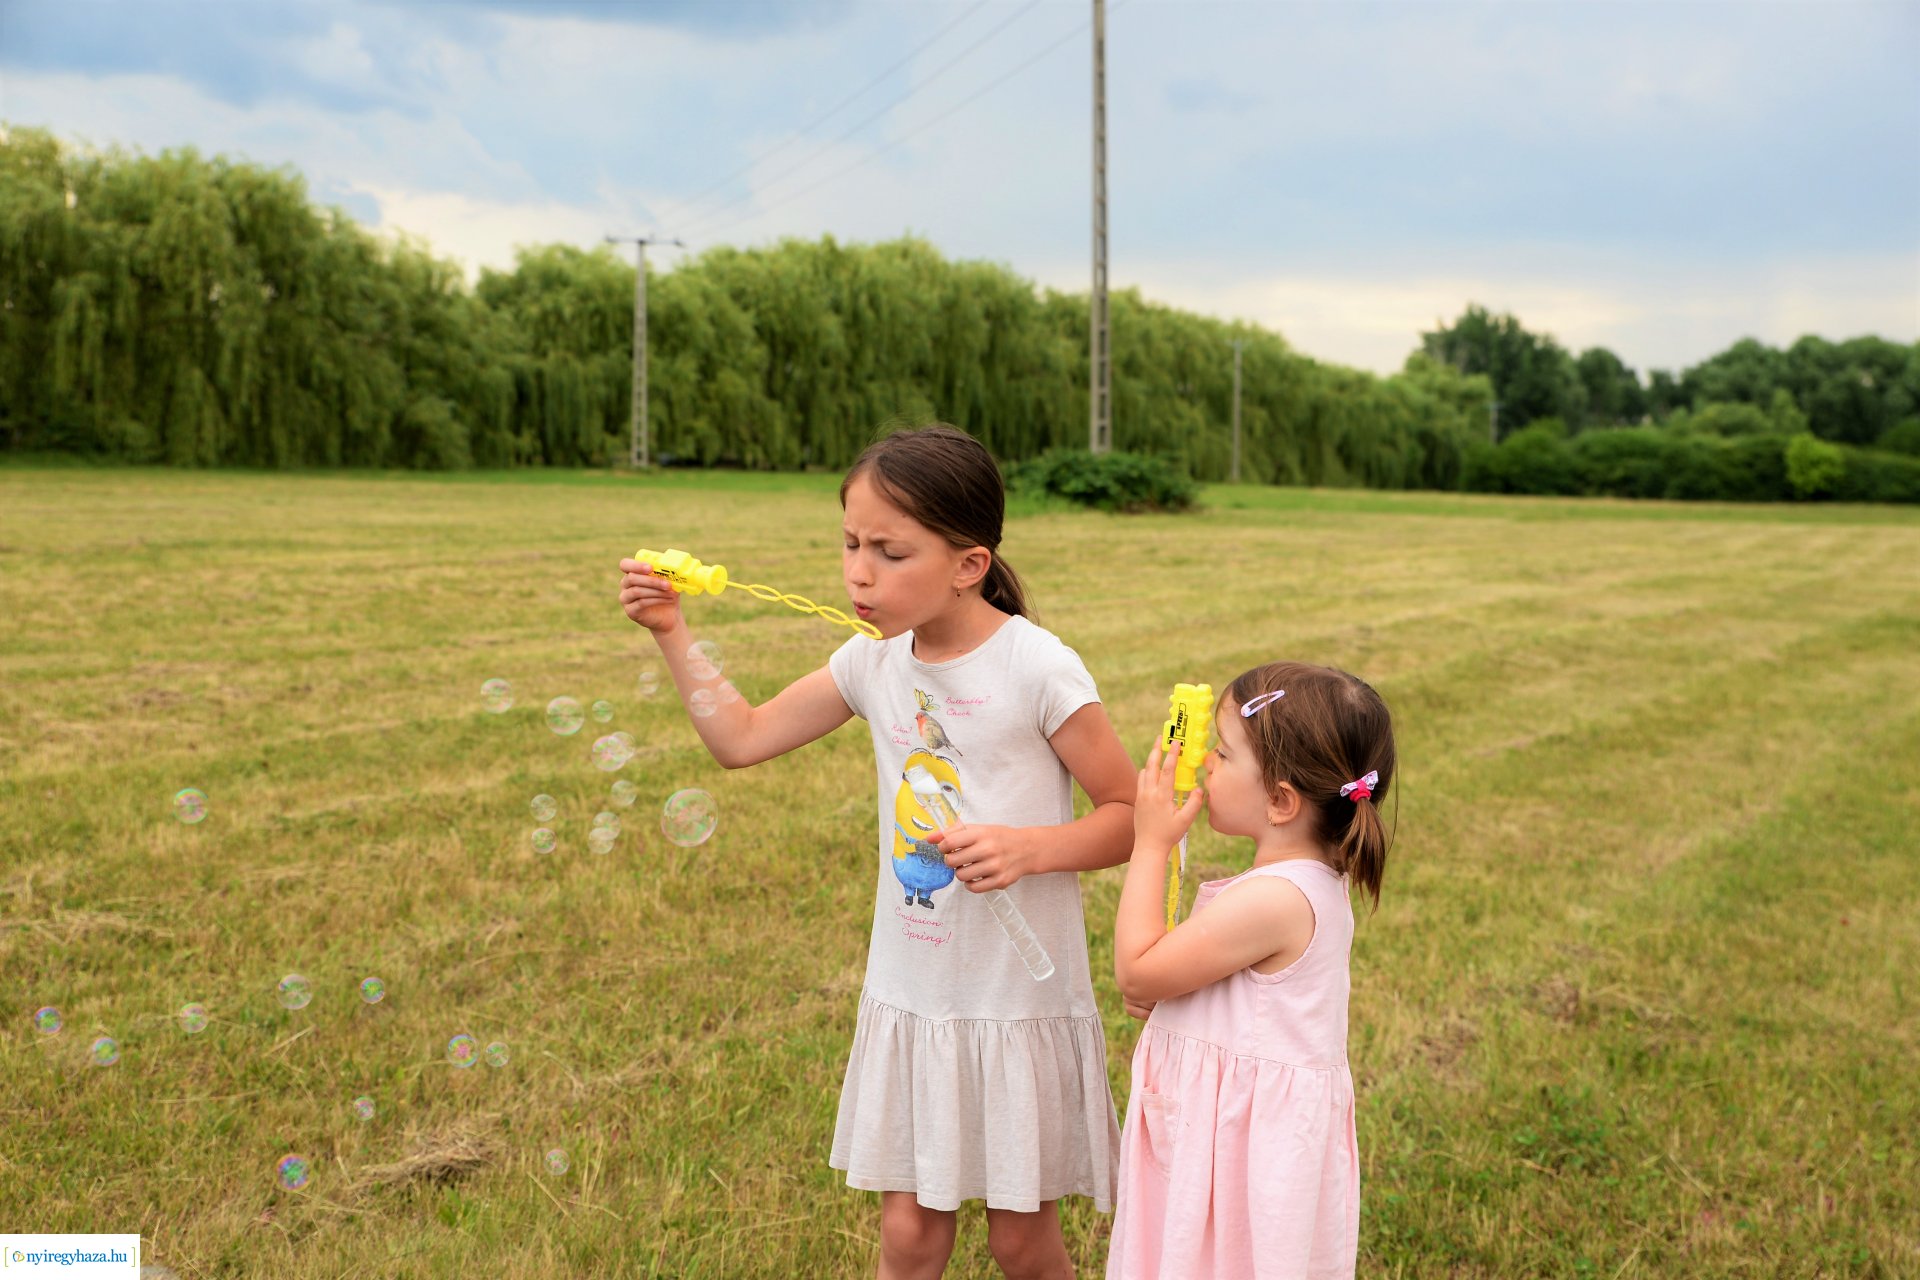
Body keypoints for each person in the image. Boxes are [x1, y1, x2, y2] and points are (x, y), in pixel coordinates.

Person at [618, 425, 1137, 1280]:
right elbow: (741, 739)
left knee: (1021, 1241)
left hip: (1014, 1001)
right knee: (909, 1235)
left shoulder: (1038, 669)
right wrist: (672, 632)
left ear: (969, 564)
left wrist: (1029, 848)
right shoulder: (873, 662)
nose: (860, 572)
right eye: (851, 544)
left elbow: (1126, 813)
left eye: (891, 552)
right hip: (918, 989)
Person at [1106, 662, 1395, 1280]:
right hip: (1231, 1138)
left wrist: (1151, 843)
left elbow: (1135, 971)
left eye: (1225, 753)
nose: (1206, 761)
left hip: (1237, 1156)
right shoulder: (1297, 886)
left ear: (1281, 800)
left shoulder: (1276, 899)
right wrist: (1181, 998)